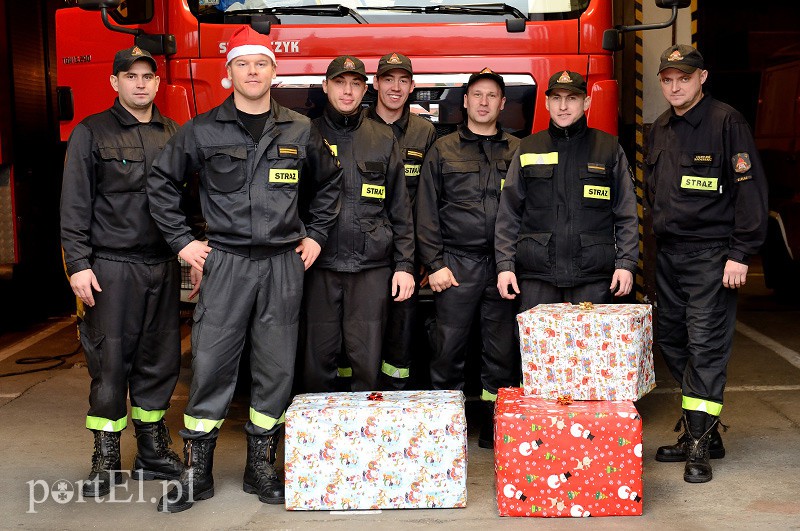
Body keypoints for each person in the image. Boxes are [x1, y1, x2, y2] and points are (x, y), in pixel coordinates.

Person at [146, 26, 342, 511]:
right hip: (227, 262)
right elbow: (162, 182)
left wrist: (315, 234)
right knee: (211, 365)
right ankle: (197, 475)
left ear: (274, 73)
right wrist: (183, 241)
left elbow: (331, 185)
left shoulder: (299, 128)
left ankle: (260, 470)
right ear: (227, 71)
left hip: (282, 264)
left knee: (275, 369)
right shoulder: (203, 129)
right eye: (242, 64)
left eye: (261, 64)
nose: (252, 72)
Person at [60, 45, 184, 497]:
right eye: (130, 76)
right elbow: (74, 204)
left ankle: (151, 452)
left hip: (162, 266)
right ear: (115, 82)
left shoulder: (174, 132)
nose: (140, 83)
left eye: (147, 76)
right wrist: (78, 265)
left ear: (157, 83)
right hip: (111, 267)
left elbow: (186, 203)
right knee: (110, 363)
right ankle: (107, 457)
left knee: (159, 361)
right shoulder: (90, 133)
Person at [646, 44, 767, 483]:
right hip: (669, 257)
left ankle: (698, 443)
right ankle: (705, 429)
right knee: (673, 340)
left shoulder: (725, 121)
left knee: (705, 345)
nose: (675, 86)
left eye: (684, 77)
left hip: (712, 255)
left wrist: (740, 253)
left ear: (702, 78)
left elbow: (749, 190)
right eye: (668, 79)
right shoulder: (659, 128)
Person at [416, 68, 520, 449]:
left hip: (503, 267)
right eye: (477, 94)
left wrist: (515, 263)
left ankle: (496, 428)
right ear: (465, 100)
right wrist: (435, 262)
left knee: (502, 353)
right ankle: (447, 427)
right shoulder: (443, 149)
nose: (483, 102)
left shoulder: (518, 149)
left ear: (502, 103)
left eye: (492, 95)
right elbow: (425, 210)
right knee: (448, 351)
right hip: (455, 265)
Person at [302, 55, 415, 393]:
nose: (347, 91)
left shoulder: (383, 138)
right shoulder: (305, 135)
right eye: (339, 82)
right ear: (325, 87)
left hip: (371, 269)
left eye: (354, 84)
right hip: (318, 267)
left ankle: (364, 440)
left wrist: (405, 264)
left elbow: (400, 209)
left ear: (365, 88)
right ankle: (316, 438)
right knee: (316, 362)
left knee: (368, 363)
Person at [495, 70, 638, 311]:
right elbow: (509, 214)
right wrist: (505, 266)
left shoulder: (609, 149)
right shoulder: (528, 148)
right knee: (539, 348)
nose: (563, 106)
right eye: (556, 98)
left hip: (592, 276)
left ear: (587, 102)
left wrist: (625, 263)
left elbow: (626, 213)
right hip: (537, 276)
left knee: (591, 348)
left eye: (571, 98)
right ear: (546, 102)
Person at [365, 52, 437, 390]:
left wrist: (424, 256)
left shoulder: (425, 132)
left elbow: (431, 198)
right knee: (361, 331)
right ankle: (360, 399)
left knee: (402, 333)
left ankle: (396, 403)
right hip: (365, 251)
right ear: (376, 83)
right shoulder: (360, 128)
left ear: (412, 87)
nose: (395, 87)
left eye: (403, 80)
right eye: (389, 79)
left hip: (407, 253)